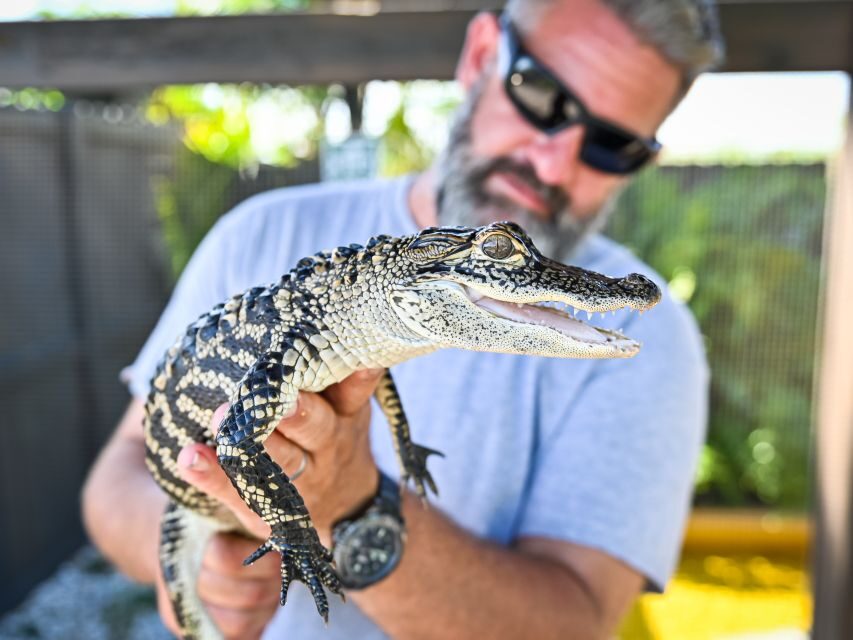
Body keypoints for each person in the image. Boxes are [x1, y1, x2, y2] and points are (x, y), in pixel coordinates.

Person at [82, 0, 724, 638]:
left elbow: (576, 626)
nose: (553, 162)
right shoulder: (257, 235)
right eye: (542, 94)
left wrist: (351, 502)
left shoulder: (651, 336)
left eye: (613, 145)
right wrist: (204, 566)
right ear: (479, 57)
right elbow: (122, 473)